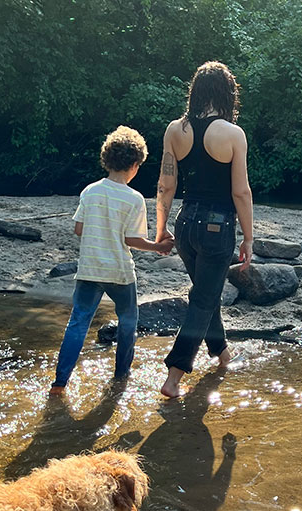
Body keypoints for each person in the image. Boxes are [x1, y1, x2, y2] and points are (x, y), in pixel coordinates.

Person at [155, 61, 253, 399]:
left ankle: (222, 355)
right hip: (217, 227)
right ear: (227, 94)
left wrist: (161, 226)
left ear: (195, 91)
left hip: (184, 224)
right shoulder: (233, 134)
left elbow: (166, 184)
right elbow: (241, 192)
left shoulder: (174, 130)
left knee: (205, 294)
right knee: (203, 298)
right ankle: (174, 375)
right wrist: (249, 238)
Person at [50, 126, 173, 395]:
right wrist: (158, 247)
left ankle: (59, 384)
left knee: (78, 323)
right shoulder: (134, 198)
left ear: (108, 160)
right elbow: (133, 240)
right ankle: (120, 378)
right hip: (119, 272)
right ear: (134, 164)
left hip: (89, 269)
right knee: (128, 322)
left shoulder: (90, 191)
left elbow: (79, 229)